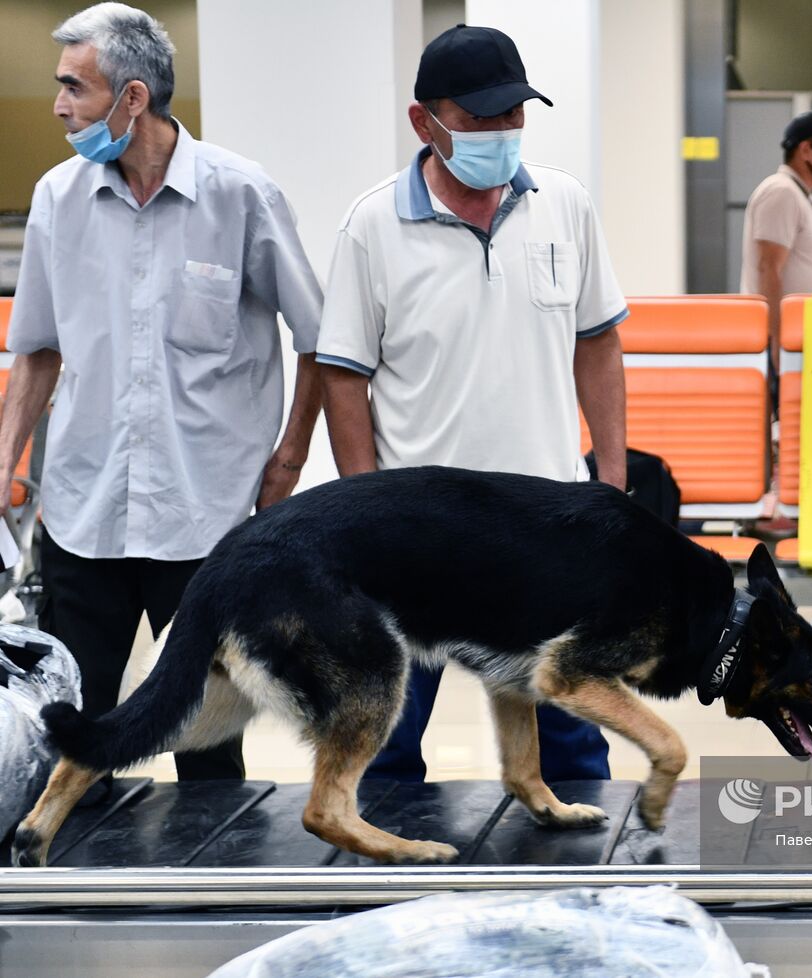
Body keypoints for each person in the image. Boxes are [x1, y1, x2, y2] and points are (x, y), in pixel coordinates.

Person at [2, 2, 324, 779]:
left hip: (208, 523)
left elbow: (319, 341)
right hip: (87, 515)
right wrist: (4, 463)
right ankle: (71, 895)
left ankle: (214, 899)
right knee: (71, 736)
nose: (59, 106)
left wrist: (286, 465)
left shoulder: (241, 195)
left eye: (75, 87)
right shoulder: (57, 198)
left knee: (207, 748)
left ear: (133, 97)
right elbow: (38, 351)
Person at [317, 25, 628, 783]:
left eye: (513, 115)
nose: (501, 133)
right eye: (479, 118)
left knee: (575, 742)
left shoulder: (565, 205)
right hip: (417, 535)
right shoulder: (372, 226)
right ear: (425, 122)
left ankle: (588, 890)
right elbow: (343, 376)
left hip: (545, 528)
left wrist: (611, 481)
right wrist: (365, 510)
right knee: (383, 743)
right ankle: (379, 886)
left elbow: (598, 342)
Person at [740, 110, 812, 368]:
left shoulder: (803, 196)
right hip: (782, 343)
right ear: (806, 150)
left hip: (797, 337)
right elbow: (768, 269)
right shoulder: (781, 192)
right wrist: (776, 343)